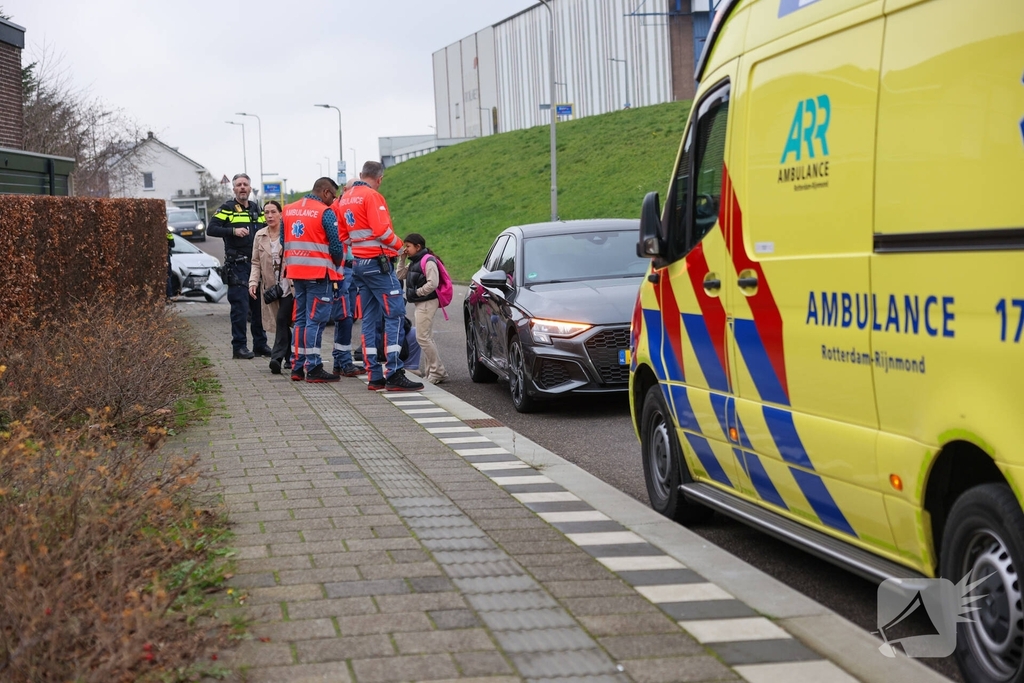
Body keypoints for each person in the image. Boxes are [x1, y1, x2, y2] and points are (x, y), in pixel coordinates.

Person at [336, 161, 423, 392]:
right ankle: (394, 372)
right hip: (377, 264)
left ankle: (374, 375)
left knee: (369, 319)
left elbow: (344, 236)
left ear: (361, 174)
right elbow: (381, 231)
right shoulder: (372, 196)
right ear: (379, 178)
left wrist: (361, 246)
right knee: (395, 314)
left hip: (358, 265)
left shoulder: (345, 198)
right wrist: (399, 247)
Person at [282, 177, 344, 383]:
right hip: (318, 274)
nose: (333, 200)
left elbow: (283, 240)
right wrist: (337, 262)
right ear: (325, 192)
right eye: (333, 196)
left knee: (300, 320)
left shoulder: (288, 210)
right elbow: (336, 246)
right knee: (315, 321)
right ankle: (314, 366)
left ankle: (297, 366)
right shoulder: (325, 212)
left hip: (296, 273)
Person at [207, 173, 271, 359]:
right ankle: (239, 347)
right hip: (238, 266)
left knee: (259, 308)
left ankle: (260, 345)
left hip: (256, 266)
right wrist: (233, 231)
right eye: (239, 185)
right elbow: (211, 229)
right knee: (240, 309)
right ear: (234, 189)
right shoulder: (227, 208)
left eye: (245, 184)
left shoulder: (256, 209)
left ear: (250, 188)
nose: (242, 187)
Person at [397, 233, 450, 384]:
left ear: (418, 246)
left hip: (427, 302)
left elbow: (433, 283)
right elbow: (400, 275)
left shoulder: (428, 261)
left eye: (408, 246)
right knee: (426, 337)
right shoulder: (415, 261)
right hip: (422, 302)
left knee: (422, 338)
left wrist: (417, 292)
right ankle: (433, 371)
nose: (406, 249)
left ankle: (437, 372)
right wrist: (402, 259)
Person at [248, 200, 293, 374]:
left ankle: (276, 358)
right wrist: (253, 282)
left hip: (289, 285)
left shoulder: (288, 233)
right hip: (271, 288)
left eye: (273, 212)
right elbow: (255, 262)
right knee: (281, 322)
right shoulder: (260, 236)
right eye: (266, 212)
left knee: (282, 319)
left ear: (281, 214)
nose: (269, 216)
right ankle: (290, 357)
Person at [329, 179, 362, 378]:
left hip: (351, 267)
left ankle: (340, 362)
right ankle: (343, 362)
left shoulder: (352, 208)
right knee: (344, 317)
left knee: (346, 316)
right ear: (344, 190)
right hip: (340, 270)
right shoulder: (335, 209)